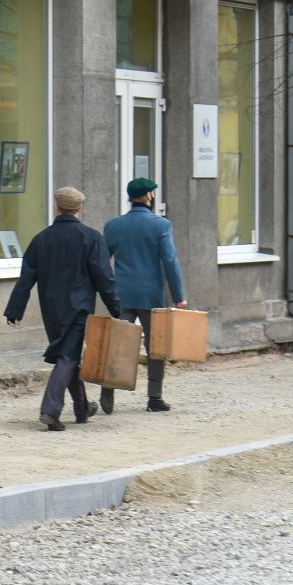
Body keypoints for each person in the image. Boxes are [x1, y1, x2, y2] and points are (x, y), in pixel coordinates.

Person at [3, 186, 122, 431]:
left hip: (51, 309)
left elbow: (26, 277)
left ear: (57, 206)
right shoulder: (91, 237)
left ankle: (82, 408)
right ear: (79, 208)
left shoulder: (41, 239)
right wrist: (115, 307)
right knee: (68, 357)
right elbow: (103, 276)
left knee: (67, 356)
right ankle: (50, 410)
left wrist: (15, 309)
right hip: (79, 307)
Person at [100, 177, 187, 414]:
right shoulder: (161, 225)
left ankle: (108, 388)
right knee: (155, 346)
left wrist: (105, 290)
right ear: (149, 196)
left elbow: (102, 262)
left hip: (121, 294)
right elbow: (170, 260)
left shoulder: (113, 225)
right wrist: (178, 296)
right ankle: (154, 398)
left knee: (118, 344)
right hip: (151, 296)